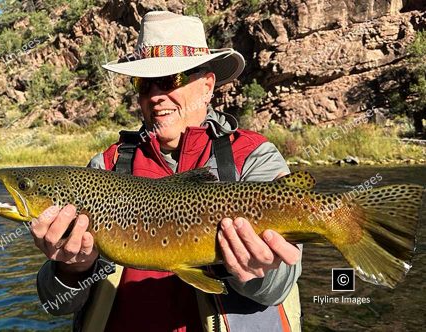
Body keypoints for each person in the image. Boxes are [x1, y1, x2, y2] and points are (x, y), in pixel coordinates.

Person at [32, 11, 302, 332]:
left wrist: (254, 271)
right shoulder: (104, 168)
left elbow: (278, 288)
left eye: (171, 79)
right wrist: (70, 270)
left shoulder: (253, 157)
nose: (156, 95)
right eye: (144, 84)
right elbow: (56, 305)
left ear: (207, 85)